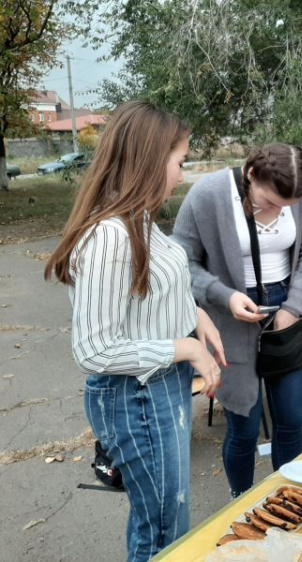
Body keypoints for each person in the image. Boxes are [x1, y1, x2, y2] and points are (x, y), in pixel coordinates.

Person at [44, 101, 224, 561]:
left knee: (167, 517)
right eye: (179, 162)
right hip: (137, 398)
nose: (182, 176)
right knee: (163, 529)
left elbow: (157, 287)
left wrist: (196, 317)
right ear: (148, 158)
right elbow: (94, 350)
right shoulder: (109, 237)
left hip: (158, 390)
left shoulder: (139, 219)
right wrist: (183, 347)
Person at [172, 143, 302, 497]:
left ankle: (286, 499)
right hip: (231, 318)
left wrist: (292, 307)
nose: (276, 211)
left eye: (285, 207)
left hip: (287, 312)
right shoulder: (208, 195)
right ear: (250, 173)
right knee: (244, 425)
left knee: (290, 422)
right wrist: (223, 296)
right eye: (269, 202)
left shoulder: (299, 192)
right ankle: (239, 501)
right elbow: (181, 262)